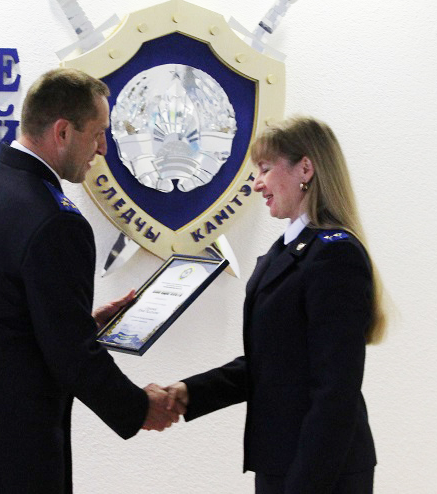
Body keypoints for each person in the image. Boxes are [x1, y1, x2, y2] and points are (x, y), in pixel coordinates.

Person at [0, 68, 179, 494]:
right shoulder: (56, 221)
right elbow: (71, 357)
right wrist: (137, 407)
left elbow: (1, 311)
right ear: (62, 131)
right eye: (98, 133)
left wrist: (80, 323)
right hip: (15, 455)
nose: (103, 148)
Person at [165, 116, 386, 493]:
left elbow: (335, 391)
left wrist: (304, 484)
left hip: (320, 471)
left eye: (265, 169)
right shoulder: (286, 252)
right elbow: (272, 362)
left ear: (305, 168)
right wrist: (190, 392)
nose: (257, 184)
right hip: (283, 461)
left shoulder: (335, 256)